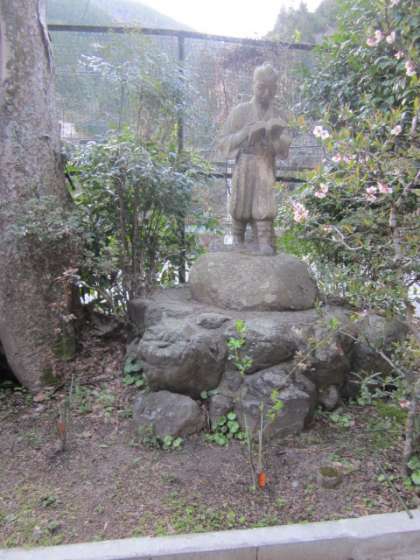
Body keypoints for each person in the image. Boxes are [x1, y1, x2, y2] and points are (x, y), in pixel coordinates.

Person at [220, 63, 291, 255]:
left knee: (264, 201)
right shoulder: (240, 112)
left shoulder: (278, 115)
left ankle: (264, 239)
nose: (266, 93)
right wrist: (244, 133)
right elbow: (223, 142)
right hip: (244, 164)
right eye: (261, 88)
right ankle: (238, 237)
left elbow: (285, 148)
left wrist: (275, 139)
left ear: (276, 89)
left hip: (265, 164)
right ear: (253, 85)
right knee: (240, 201)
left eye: (271, 89)